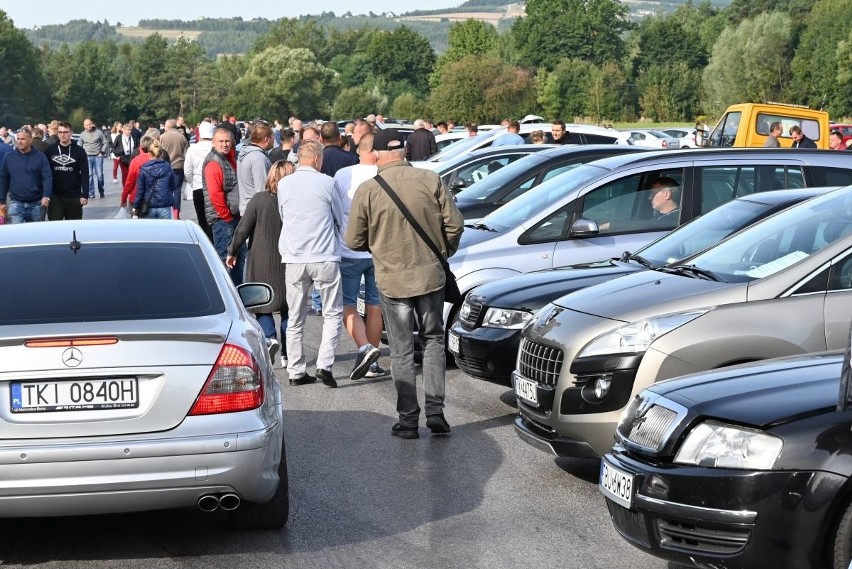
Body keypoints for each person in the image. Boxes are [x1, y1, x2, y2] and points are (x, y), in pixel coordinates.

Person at [344, 129, 464, 439]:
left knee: (400, 350)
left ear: (379, 155)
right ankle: (436, 411)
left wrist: (380, 247)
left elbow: (353, 240)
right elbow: (455, 224)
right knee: (434, 339)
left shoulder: (368, 190)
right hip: (430, 276)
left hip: (392, 280)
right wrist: (443, 251)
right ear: (405, 152)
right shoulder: (430, 179)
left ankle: (408, 419)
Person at [277, 140, 344, 389]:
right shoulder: (327, 182)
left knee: (295, 317)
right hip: (324, 254)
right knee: (332, 312)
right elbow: (339, 216)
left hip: (294, 256)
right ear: (317, 159)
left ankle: (296, 370)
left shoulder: (284, 184)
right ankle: (325, 364)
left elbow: (284, 216)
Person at [227, 160, 292, 368]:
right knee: (288, 308)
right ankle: (288, 353)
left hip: (262, 259)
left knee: (262, 305)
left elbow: (243, 229)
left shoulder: (259, 199)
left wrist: (232, 250)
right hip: (289, 258)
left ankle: (270, 337)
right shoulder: (294, 201)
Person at [333, 132, 385, 381]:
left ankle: (365, 349)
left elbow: (333, 210)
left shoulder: (344, 175)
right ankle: (373, 362)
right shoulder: (384, 175)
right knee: (375, 305)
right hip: (379, 250)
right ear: (375, 152)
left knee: (349, 304)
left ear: (359, 150)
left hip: (349, 248)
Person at [203, 127, 245, 286]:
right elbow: (215, 194)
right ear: (213, 142)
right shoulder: (214, 162)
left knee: (238, 259)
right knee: (224, 260)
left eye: (228, 141)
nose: (225, 144)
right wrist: (226, 217)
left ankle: (238, 293)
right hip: (223, 220)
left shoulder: (229, 158)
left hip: (233, 217)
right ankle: (226, 296)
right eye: (221, 141)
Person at [0, 128, 52, 223]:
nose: (19, 141)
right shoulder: (9, 157)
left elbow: (47, 177)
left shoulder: (40, 157)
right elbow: (3, 179)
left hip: (36, 203)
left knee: (34, 235)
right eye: (18, 139)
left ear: (30, 140)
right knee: (18, 235)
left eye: (23, 139)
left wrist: (46, 195)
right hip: (16, 203)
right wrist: (2, 201)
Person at [45, 121, 89, 220]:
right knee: (55, 227)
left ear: (71, 133)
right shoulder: (50, 150)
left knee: (73, 228)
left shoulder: (79, 151)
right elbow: (45, 173)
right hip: (56, 196)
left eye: (65, 132)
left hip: (74, 196)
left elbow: (85, 174)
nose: (62, 135)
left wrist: (84, 194)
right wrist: (45, 194)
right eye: (60, 132)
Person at [184, 121, 215, 242]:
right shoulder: (214, 148)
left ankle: (205, 243)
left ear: (199, 135)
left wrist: (193, 183)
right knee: (214, 220)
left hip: (198, 187)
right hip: (213, 187)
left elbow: (187, 171)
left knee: (202, 219)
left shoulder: (192, 149)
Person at [131, 140, 176, 219]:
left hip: (149, 205)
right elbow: (173, 186)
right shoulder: (168, 167)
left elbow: (140, 190)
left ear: (149, 154)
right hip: (165, 204)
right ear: (161, 153)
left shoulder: (144, 168)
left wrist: (135, 206)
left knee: (150, 230)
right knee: (165, 230)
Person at [237, 122, 273, 215]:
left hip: (248, 210)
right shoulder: (258, 158)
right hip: (256, 214)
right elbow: (263, 192)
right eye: (272, 137)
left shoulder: (246, 153)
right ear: (266, 139)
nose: (274, 139)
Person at [159, 118, 190, 216]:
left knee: (164, 189)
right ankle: (176, 213)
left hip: (165, 166)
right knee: (177, 190)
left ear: (167, 126)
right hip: (179, 166)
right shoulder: (182, 137)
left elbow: (158, 152)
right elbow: (187, 151)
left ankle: (166, 212)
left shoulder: (162, 137)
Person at [79, 118, 109, 198]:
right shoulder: (82, 134)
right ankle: (91, 193)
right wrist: (80, 155)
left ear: (92, 124)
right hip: (87, 156)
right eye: (87, 125)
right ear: (84, 126)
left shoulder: (98, 132)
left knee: (99, 175)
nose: (89, 126)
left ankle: (101, 190)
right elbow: (79, 145)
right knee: (89, 175)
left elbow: (105, 142)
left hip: (97, 156)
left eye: (90, 124)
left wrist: (102, 151)